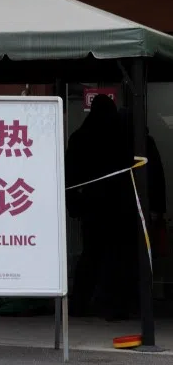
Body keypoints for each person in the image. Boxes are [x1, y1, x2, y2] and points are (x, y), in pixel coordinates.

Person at [66, 94, 136, 320]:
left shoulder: (80, 137)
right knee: (116, 257)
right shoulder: (120, 136)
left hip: (92, 207)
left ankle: (80, 304)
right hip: (118, 206)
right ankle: (113, 306)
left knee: (91, 256)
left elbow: (70, 175)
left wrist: (74, 205)